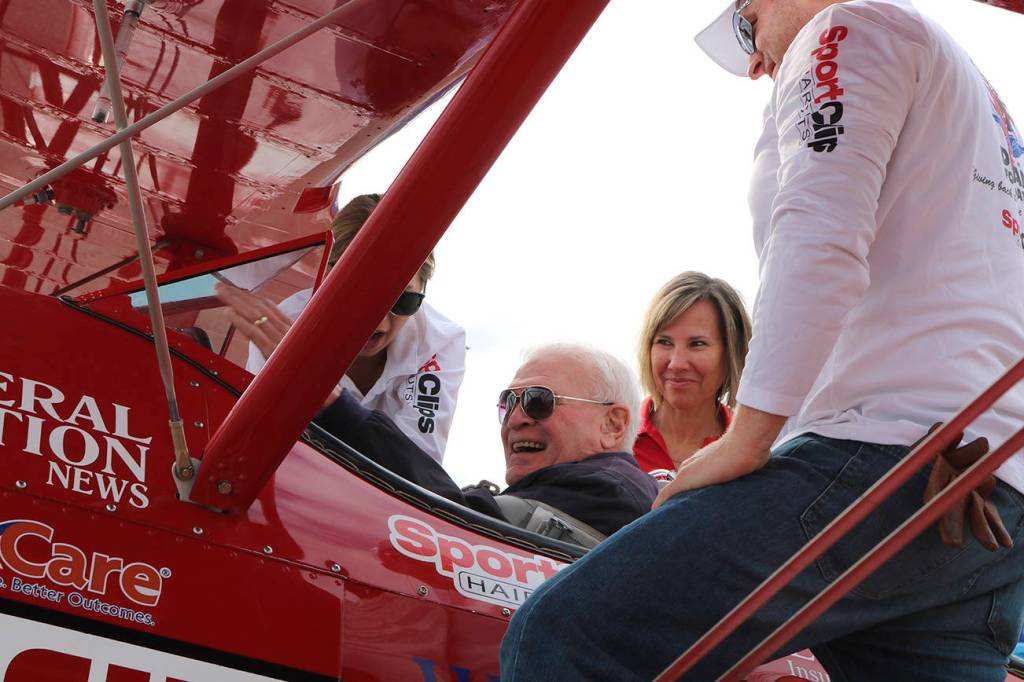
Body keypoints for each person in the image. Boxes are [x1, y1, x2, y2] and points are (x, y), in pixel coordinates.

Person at [500, 1, 1024, 680]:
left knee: (569, 632)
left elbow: (819, 232)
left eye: (747, 22)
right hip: (992, 496)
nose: (752, 62)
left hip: (885, 453)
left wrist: (747, 439)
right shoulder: (980, 103)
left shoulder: (848, 28)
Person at [314, 343, 658, 539]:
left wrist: (341, 412)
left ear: (613, 425)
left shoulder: (610, 491)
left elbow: (452, 518)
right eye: (508, 403)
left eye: (539, 401)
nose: (517, 419)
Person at [218, 193, 465, 464]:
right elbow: (265, 452)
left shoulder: (441, 341)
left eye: (401, 299)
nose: (378, 323)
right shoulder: (282, 327)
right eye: (356, 293)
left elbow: (419, 469)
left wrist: (320, 396)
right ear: (325, 279)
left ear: (423, 291)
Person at [634, 271, 752, 475]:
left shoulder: (750, 452)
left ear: (731, 353)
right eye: (664, 342)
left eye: (697, 344)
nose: (677, 363)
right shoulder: (611, 439)